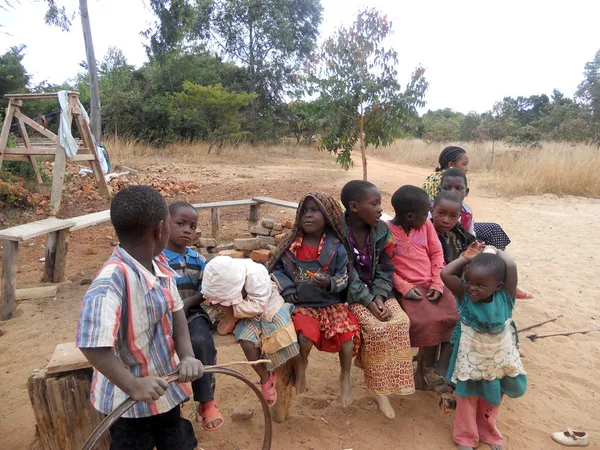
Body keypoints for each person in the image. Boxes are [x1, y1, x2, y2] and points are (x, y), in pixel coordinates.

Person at [76, 186, 203, 450]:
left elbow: (176, 311)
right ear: (160, 230)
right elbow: (91, 344)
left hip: (164, 390)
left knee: (178, 441)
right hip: (128, 405)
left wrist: (188, 355)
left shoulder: (159, 266)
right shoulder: (111, 283)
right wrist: (133, 385)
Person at [271, 191, 359, 407]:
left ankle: (345, 376)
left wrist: (329, 283)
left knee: (347, 337)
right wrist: (289, 287)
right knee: (304, 337)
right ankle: (301, 367)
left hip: (330, 304)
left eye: (315, 210)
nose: (308, 216)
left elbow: (344, 276)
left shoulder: (336, 247)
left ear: (328, 215)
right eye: (304, 211)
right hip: (302, 304)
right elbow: (276, 270)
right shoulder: (290, 244)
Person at [340, 180, 414, 419]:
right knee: (375, 328)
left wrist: (380, 296)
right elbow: (344, 274)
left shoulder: (383, 231)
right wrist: (369, 302)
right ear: (354, 207)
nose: (380, 209)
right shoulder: (337, 232)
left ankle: (382, 384)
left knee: (399, 323)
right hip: (349, 294)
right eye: (374, 204)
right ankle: (374, 387)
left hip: (378, 291)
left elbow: (386, 266)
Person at [441, 243, 527, 450]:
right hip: (472, 360)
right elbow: (445, 274)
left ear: (498, 286)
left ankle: (488, 433)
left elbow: (511, 266)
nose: (473, 287)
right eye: (469, 281)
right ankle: (465, 437)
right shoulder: (464, 295)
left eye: (481, 285)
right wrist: (466, 257)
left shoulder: (506, 297)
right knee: (467, 397)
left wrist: (495, 250)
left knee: (493, 398)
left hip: (499, 360)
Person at [201, 256, 301, 406]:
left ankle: (300, 370)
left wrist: (233, 309)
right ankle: (265, 377)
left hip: (267, 304)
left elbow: (259, 305)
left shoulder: (256, 275)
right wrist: (224, 306)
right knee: (247, 342)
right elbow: (211, 298)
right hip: (241, 308)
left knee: (284, 335)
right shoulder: (218, 277)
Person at [386, 185, 459, 393]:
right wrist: (404, 287)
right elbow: (385, 267)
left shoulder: (425, 227)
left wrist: (438, 281)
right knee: (422, 322)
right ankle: (420, 371)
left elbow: (437, 255)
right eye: (426, 213)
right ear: (410, 216)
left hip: (432, 283)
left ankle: (434, 370)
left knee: (453, 317)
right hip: (408, 289)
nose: (429, 217)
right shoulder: (386, 232)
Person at [162, 202, 223, 432]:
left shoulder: (198, 260)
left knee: (201, 342)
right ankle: (172, 409)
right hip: (163, 319)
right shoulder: (156, 259)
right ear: (165, 224)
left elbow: (206, 289)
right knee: (164, 354)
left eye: (193, 225)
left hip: (192, 315)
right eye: (181, 224)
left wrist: (188, 303)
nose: (188, 229)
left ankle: (206, 402)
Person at [431, 190, 476, 266]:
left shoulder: (457, 230)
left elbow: (472, 242)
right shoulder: (424, 233)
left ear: (458, 217)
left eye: (453, 216)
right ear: (432, 211)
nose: (446, 220)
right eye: (441, 213)